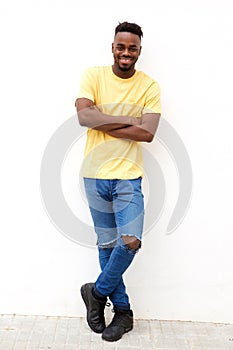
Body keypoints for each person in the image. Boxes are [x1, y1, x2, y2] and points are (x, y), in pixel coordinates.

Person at [75, 21, 161, 342]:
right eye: (121, 46)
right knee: (107, 244)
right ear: (113, 47)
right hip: (94, 174)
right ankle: (123, 311)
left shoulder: (149, 86)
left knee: (130, 242)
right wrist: (128, 120)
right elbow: (85, 117)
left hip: (128, 177)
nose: (126, 53)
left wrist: (104, 119)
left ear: (139, 50)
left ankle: (96, 293)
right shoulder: (93, 76)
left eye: (132, 48)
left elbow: (147, 133)